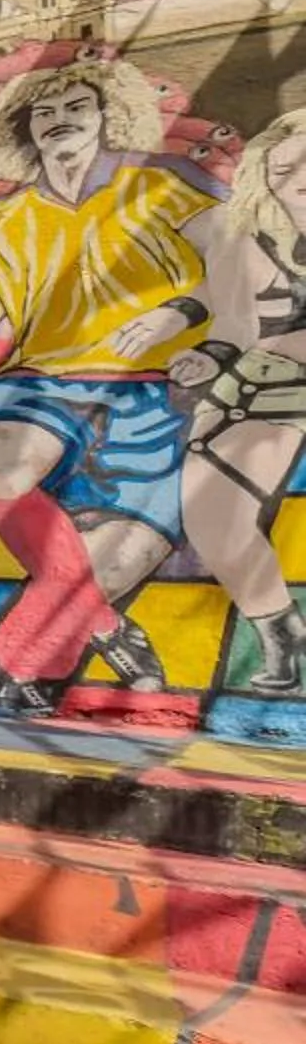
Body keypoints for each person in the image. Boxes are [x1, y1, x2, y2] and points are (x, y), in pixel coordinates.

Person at [0, 57, 222, 713]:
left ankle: (35, 666)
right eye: (45, 112)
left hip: (151, 391)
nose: (61, 120)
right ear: (25, 130)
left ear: (106, 117)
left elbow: (232, 264)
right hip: (37, 382)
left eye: (76, 108)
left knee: (112, 565)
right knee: (2, 465)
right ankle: (107, 629)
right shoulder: (2, 220)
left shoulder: (161, 191)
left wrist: (177, 313)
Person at [174, 107, 306, 690]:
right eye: (282, 170)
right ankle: (280, 630)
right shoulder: (241, 233)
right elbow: (232, 322)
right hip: (256, 388)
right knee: (212, 519)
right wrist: (210, 356)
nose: (297, 179)